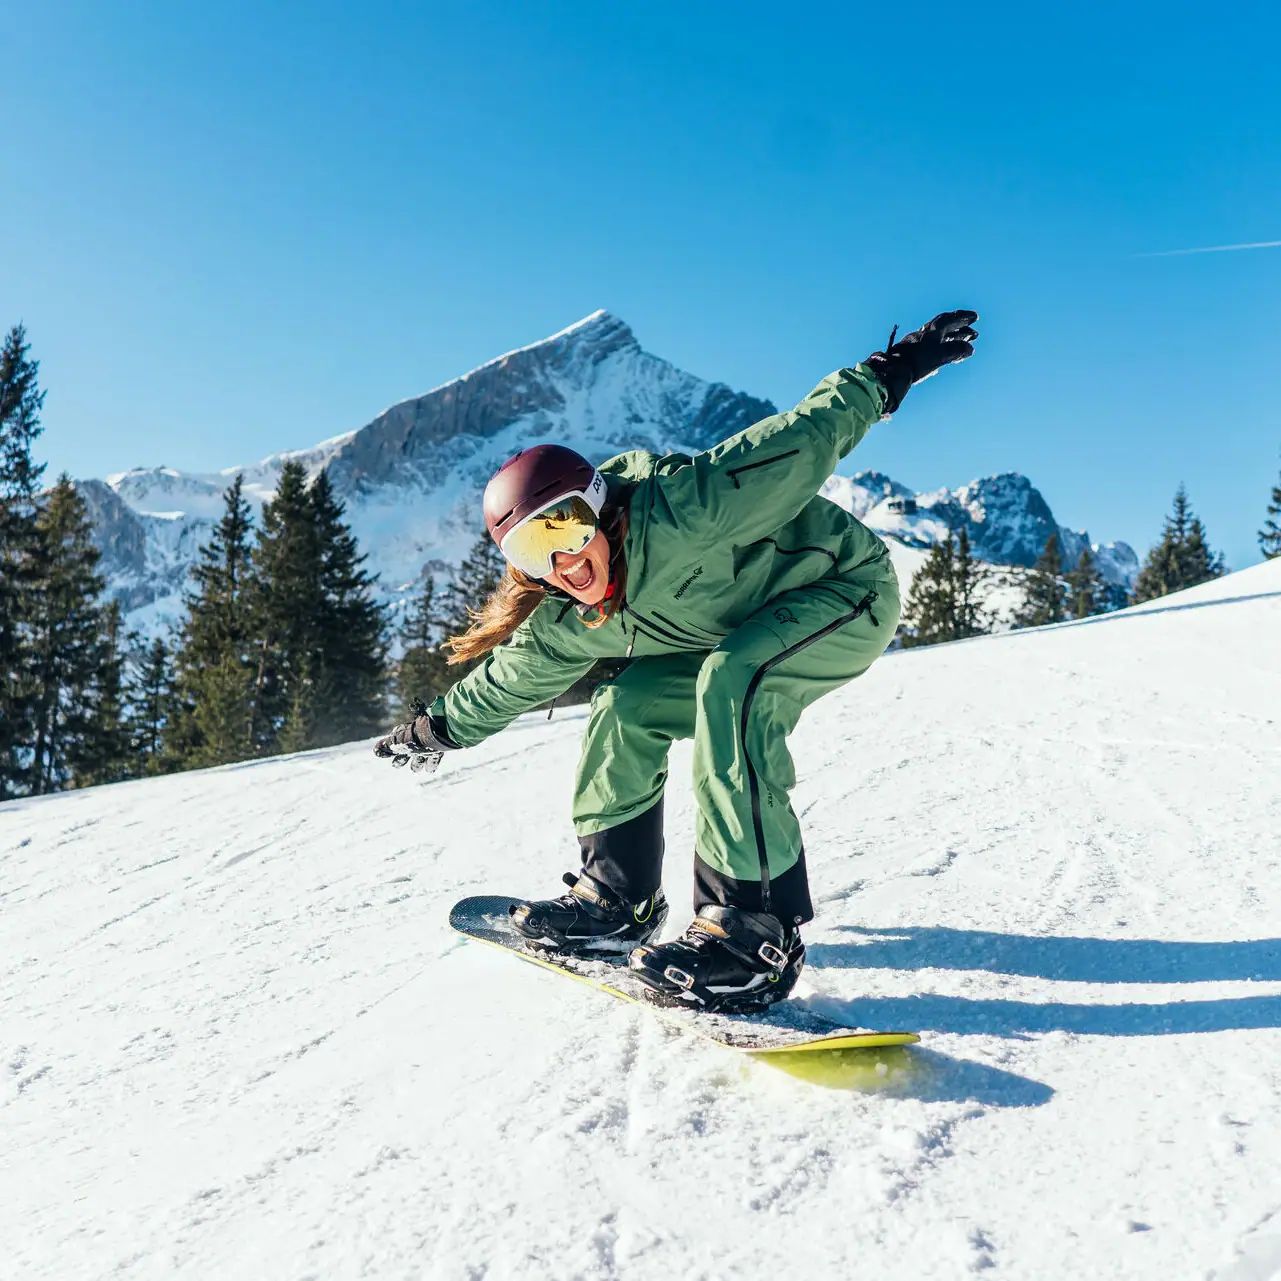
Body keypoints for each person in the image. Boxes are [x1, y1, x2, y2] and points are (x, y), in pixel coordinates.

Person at [375, 311, 980, 1012]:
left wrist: (895, 368)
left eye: (567, 527)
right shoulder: (570, 617)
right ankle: (616, 901)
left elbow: (803, 438)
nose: (564, 560)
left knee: (733, 681)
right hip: (742, 628)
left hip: (843, 591)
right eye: (534, 551)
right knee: (624, 706)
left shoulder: (686, 512)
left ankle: (752, 929)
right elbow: (512, 675)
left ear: (598, 507)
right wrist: (437, 728)